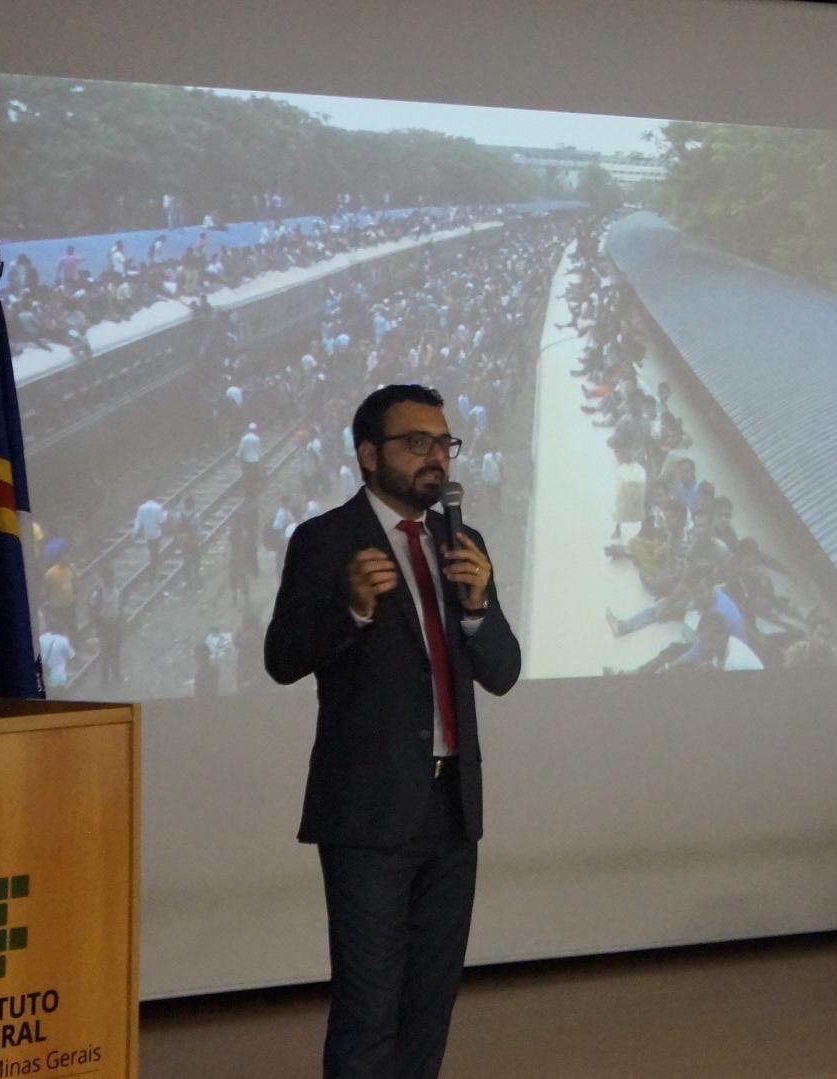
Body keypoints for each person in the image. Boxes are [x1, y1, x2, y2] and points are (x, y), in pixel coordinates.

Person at [265, 384, 520, 1079]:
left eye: (444, 443)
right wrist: (349, 608)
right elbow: (282, 657)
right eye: (418, 443)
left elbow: (502, 671)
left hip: (451, 810)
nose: (436, 458)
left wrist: (476, 610)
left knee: (428, 1007)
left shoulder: (463, 544)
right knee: (368, 1010)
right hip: (369, 816)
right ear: (369, 454)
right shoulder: (326, 541)